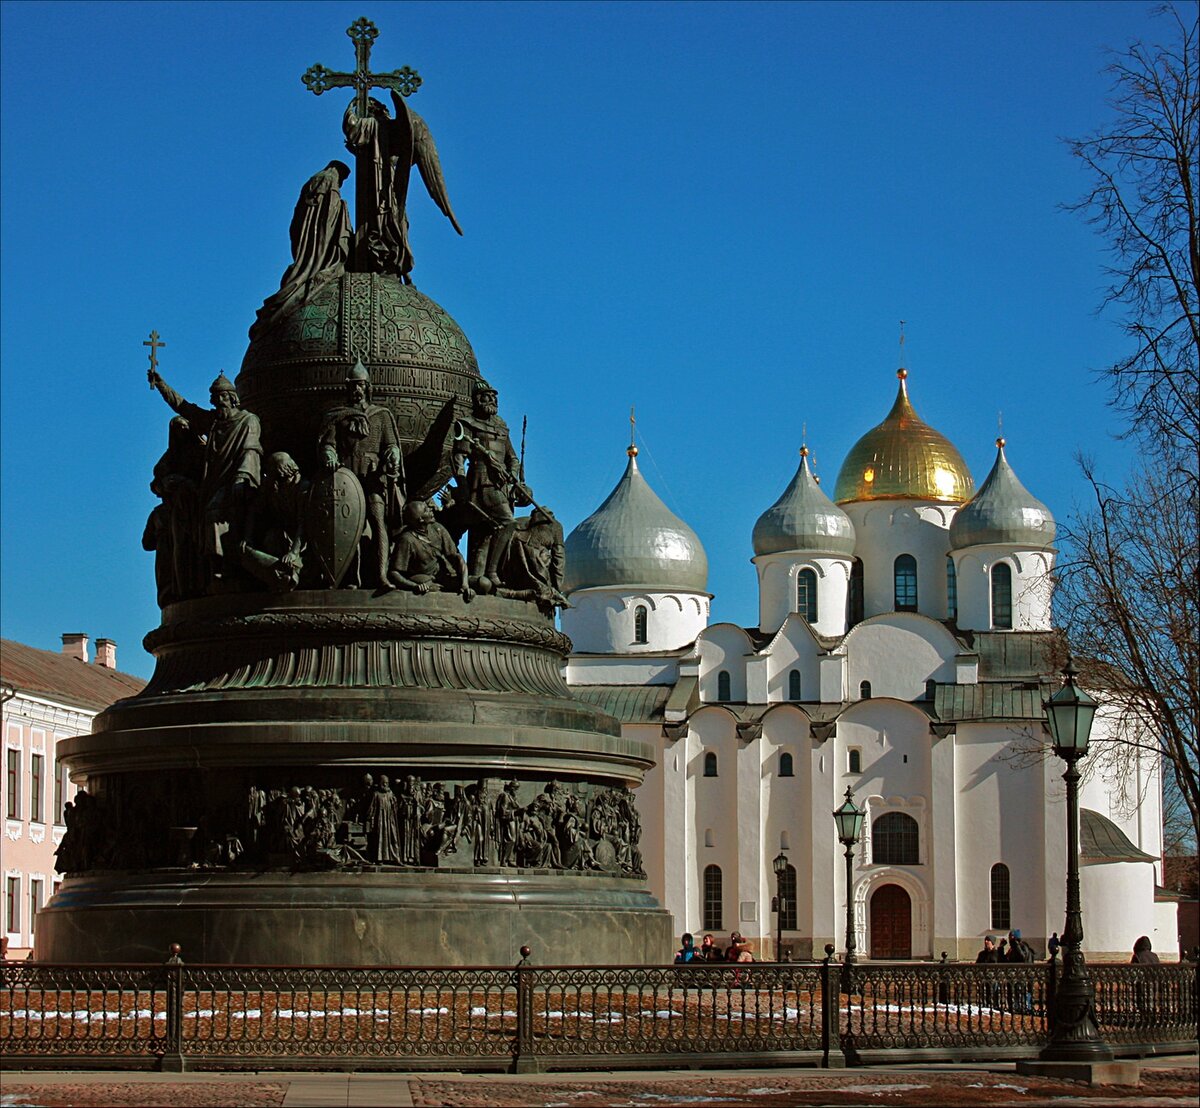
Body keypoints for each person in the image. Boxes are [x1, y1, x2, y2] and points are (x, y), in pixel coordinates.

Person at [149, 368, 263, 584]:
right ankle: (213, 571)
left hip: (239, 481)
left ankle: (220, 569)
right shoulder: (212, 422)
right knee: (202, 516)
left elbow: (251, 451)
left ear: (232, 398)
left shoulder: (248, 421)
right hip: (214, 484)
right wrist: (162, 386)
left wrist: (241, 478)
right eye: (214, 400)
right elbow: (184, 407)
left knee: (213, 515)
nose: (217, 404)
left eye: (221, 399)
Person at [318, 358, 404, 587]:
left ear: (367, 387)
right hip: (347, 477)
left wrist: (393, 454)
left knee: (378, 524)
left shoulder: (381, 415)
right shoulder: (338, 415)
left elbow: (391, 444)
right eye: (353, 385)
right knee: (348, 528)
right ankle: (350, 578)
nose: (357, 389)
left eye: (360, 385)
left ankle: (381, 575)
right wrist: (329, 454)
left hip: (372, 476)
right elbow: (328, 443)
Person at [250, 160, 352, 339]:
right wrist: (341, 210)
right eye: (342, 179)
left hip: (310, 229)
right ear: (338, 171)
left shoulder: (316, 179)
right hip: (319, 234)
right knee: (315, 259)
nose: (341, 184)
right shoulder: (328, 179)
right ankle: (317, 266)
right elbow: (325, 211)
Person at [387, 499, 472, 598]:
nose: (431, 510)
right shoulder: (407, 540)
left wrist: (465, 584)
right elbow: (394, 573)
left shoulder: (437, 529)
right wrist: (414, 586)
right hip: (425, 580)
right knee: (432, 589)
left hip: (448, 577)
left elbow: (457, 557)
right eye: (426, 510)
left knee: (484, 584)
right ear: (421, 519)